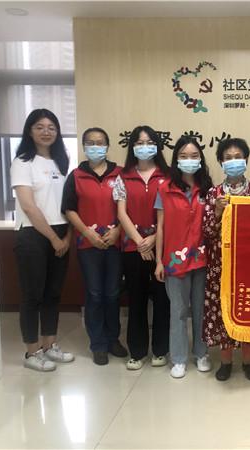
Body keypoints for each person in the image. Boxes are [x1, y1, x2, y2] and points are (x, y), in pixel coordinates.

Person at [10, 108, 75, 372]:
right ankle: (31, 352)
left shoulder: (61, 161)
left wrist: (66, 236)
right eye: (39, 127)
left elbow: (68, 204)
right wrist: (53, 238)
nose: (46, 132)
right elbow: (29, 206)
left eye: (51, 127)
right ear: (29, 131)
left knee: (53, 294)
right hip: (33, 234)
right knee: (32, 296)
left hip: (61, 232)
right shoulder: (22, 162)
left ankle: (49, 346)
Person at [62, 127, 127, 365]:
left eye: (100, 142)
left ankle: (113, 339)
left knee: (112, 293)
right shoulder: (76, 176)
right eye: (90, 142)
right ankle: (98, 344)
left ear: (107, 146)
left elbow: (128, 207)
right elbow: (69, 209)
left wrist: (118, 230)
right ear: (83, 146)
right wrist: (87, 232)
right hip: (87, 244)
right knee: (94, 293)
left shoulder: (120, 174)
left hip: (115, 243)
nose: (95, 146)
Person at [202, 138, 250, 382]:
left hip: (249, 265)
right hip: (221, 264)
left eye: (238, 157)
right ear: (221, 162)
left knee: (248, 310)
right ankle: (226, 361)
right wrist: (218, 211)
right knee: (223, 311)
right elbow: (207, 232)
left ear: (246, 159)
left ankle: (248, 361)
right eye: (228, 158)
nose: (233, 161)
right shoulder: (213, 193)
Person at [155, 135, 213, 379]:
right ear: (176, 159)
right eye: (183, 156)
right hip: (174, 260)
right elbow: (160, 227)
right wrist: (159, 261)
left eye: (194, 156)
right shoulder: (165, 188)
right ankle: (178, 358)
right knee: (178, 311)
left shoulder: (207, 188)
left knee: (200, 309)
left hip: (202, 259)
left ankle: (201, 353)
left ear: (200, 159)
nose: (189, 160)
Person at [113, 125, 171, 370]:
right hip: (133, 248)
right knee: (136, 300)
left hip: (162, 246)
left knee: (162, 300)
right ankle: (136, 352)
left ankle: (160, 350)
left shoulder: (168, 176)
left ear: (157, 146)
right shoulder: (123, 176)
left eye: (149, 142)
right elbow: (121, 213)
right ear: (132, 147)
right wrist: (140, 241)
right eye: (139, 142)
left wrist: (154, 238)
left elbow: (172, 213)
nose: (144, 146)